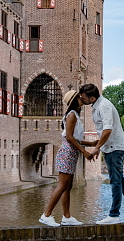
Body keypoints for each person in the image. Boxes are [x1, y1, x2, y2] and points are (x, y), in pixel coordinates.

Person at [79, 83, 124, 225]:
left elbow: (107, 130)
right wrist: (97, 143)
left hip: (114, 148)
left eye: (83, 97)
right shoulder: (97, 105)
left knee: (115, 181)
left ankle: (114, 214)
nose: (82, 99)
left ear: (92, 97)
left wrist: (97, 148)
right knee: (119, 178)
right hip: (111, 147)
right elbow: (104, 131)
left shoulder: (103, 106)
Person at [39, 90, 98, 226]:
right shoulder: (71, 115)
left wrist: (91, 144)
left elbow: (75, 139)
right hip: (67, 152)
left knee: (67, 186)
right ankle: (46, 215)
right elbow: (70, 138)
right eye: (79, 96)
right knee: (61, 186)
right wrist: (84, 152)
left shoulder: (75, 114)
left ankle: (66, 217)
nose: (83, 97)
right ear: (75, 99)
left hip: (71, 152)